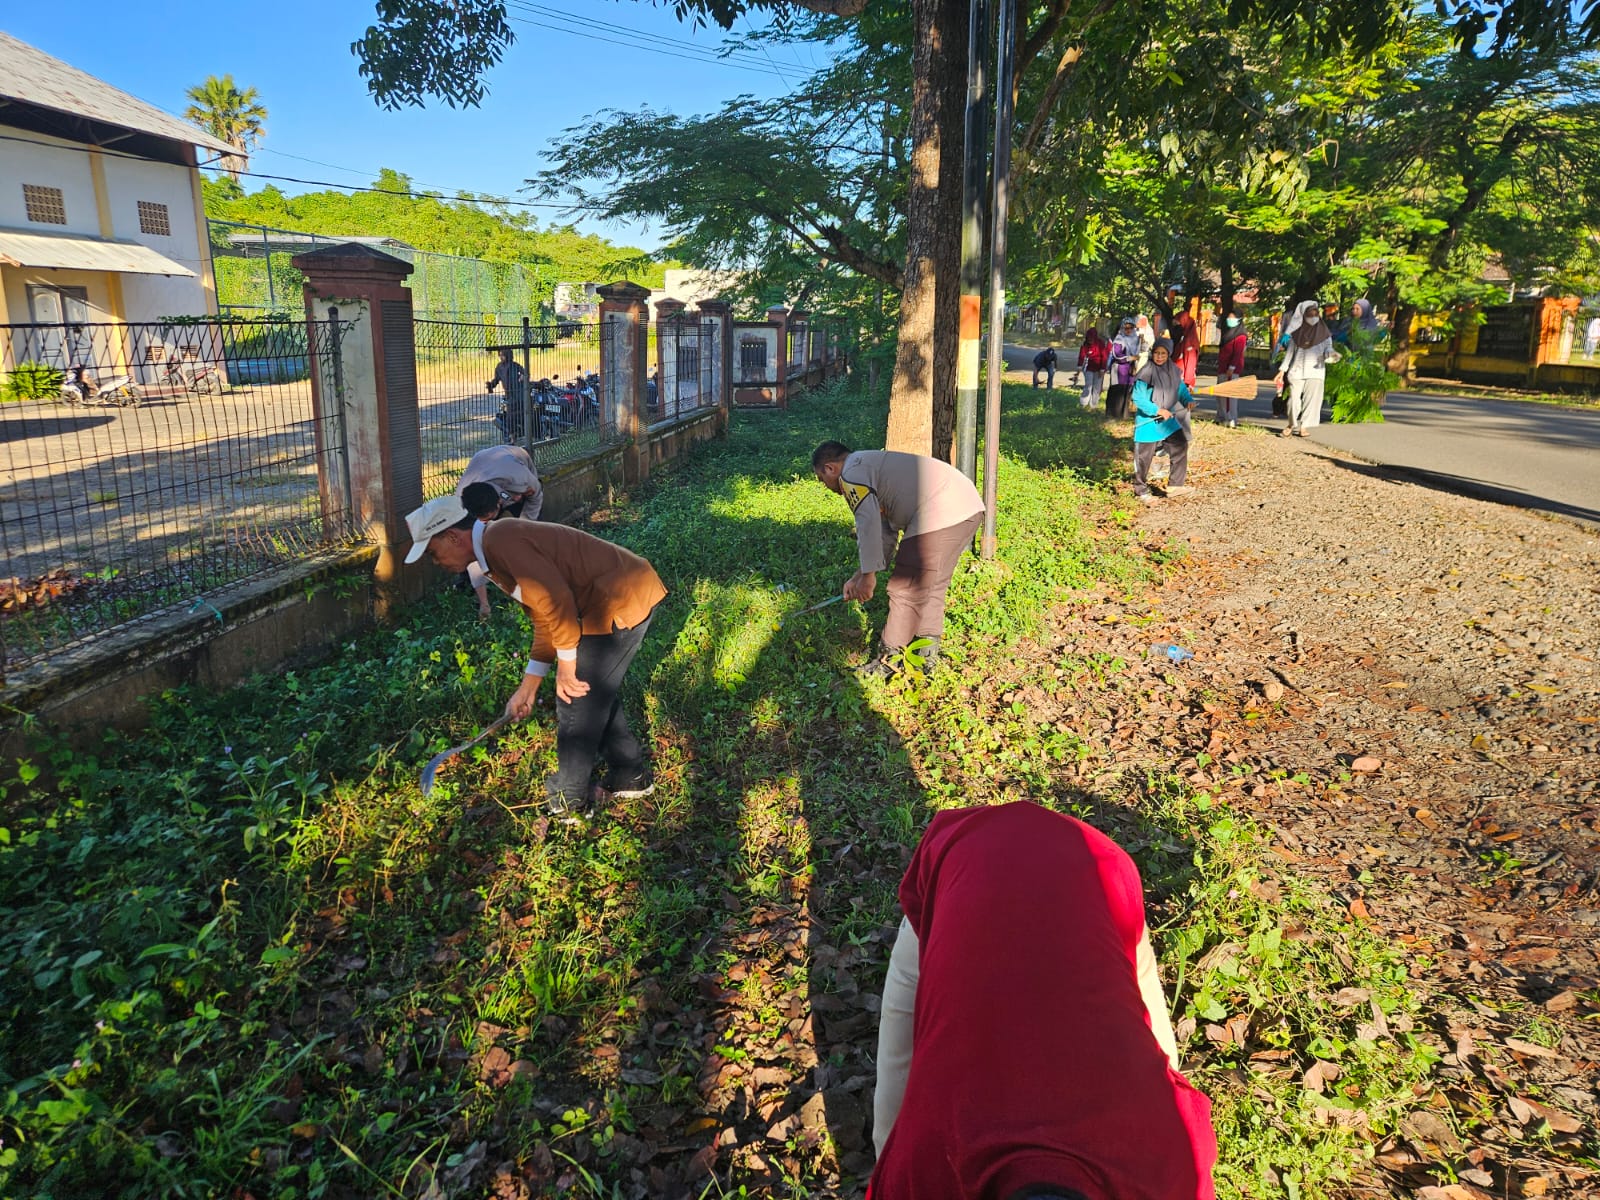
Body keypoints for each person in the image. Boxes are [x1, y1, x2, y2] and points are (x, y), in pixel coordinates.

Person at [870, 800, 1218, 1200]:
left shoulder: (1175, 1162)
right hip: (993, 858)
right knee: (894, 1105)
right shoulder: (1173, 1167)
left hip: (1083, 866)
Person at [403, 489, 667, 818]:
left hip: (622, 598)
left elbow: (556, 602)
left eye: (432, 552)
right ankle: (630, 775)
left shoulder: (501, 540)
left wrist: (566, 668)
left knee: (575, 698)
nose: (435, 562)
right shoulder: (492, 552)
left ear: (452, 537)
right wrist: (527, 689)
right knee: (591, 692)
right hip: (606, 601)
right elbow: (544, 617)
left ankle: (569, 803)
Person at [811, 441, 985, 678]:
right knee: (931, 584)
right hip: (967, 506)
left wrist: (869, 578)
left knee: (904, 589)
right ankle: (925, 654)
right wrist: (860, 575)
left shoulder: (851, 475)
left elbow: (867, 526)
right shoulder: (870, 466)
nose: (826, 486)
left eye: (822, 479)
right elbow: (884, 533)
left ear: (830, 468)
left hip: (940, 509)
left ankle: (889, 661)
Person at [456, 444, 544, 619]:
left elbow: (536, 497)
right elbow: (474, 553)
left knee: (529, 539)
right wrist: (484, 604)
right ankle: (466, 584)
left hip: (513, 459)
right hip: (483, 465)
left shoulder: (521, 480)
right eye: (482, 520)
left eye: (489, 518)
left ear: (498, 504)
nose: (486, 523)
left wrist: (524, 528)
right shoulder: (463, 501)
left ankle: (537, 582)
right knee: (473, 544)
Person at [1130, 339, 1196, 503]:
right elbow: (1137, 398)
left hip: (1167, 422)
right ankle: (1141, 491)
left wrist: (1187, 400)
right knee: (1143, 459)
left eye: (1163, 354)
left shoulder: (1173, 370)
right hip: (1148, 422)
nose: (1159, 357)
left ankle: (1175, 485)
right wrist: (1157, 410)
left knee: (1180, 445)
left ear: (1169, 354)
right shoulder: (1146, 372)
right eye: (1156, 353)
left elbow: (1180, 389)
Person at [1275, 299, 1337, 437]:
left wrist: (1331, 354)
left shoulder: (1325, 333)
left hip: (1316, 371)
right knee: (1293, 401)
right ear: (1303, 316)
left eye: (1315, 314)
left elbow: (1329, 348)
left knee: (1311, 401)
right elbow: (1290, 353)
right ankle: (1291, 424)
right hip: (1297, 371)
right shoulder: (1296, 333)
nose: (1313, 318)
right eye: (1310, 315)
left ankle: (1304, 426)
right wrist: (1282, 371)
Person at [487, 349, 528, 443]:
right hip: (509, 396)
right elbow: (496, 379)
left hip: (520, 394)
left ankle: (525, 433)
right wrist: (491, 385)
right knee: (511, 417)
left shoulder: (515, 365)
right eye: (500, 355)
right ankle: (512, 437)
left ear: (508, 355)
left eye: (503, 355)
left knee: (524, 414)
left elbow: (525, 372)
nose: (501, 357)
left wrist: (523, 376)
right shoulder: (499, 367)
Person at [1214, 313, 1248, 428]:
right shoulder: (1228, 333)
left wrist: (1231, 367)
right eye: (1229, 318)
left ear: (1239, 319)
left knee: (1229, 396)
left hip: (1231, 370)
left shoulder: (1241, 336)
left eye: (1232, 318)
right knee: (1220, 394)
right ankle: (1221, 417)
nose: (1229, 320)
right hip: (1222, 367)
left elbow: (1237, 353)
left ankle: (1231, 418)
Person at [1106, 318, 1140, 419]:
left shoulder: (1135, 338)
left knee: (1127, 391)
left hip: (1130, 370)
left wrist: (1142, 342)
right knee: (1117, 392)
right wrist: (1130, 358)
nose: (1129, 330)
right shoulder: (1119, 339)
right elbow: (1117, 355)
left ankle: (1124, 414)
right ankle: (1113, 415)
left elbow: (1141, 351)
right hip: (1119, 369)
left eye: (1131, 328)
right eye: (1126, 328)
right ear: (1122, 328)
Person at [1075, 326, 1109, 411]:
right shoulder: (1085, 344)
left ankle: (1093, 405)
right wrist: (1079, 367)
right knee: (1088, 385)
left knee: (1097, 387)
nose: (1090, 340)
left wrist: (1102, 369)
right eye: (1088, 338)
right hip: (1088, 368)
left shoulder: (1100, 344)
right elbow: (1081, 356)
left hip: (1099, 368)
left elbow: (1104, 357)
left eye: (1091, 338)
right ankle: (1083, 403)